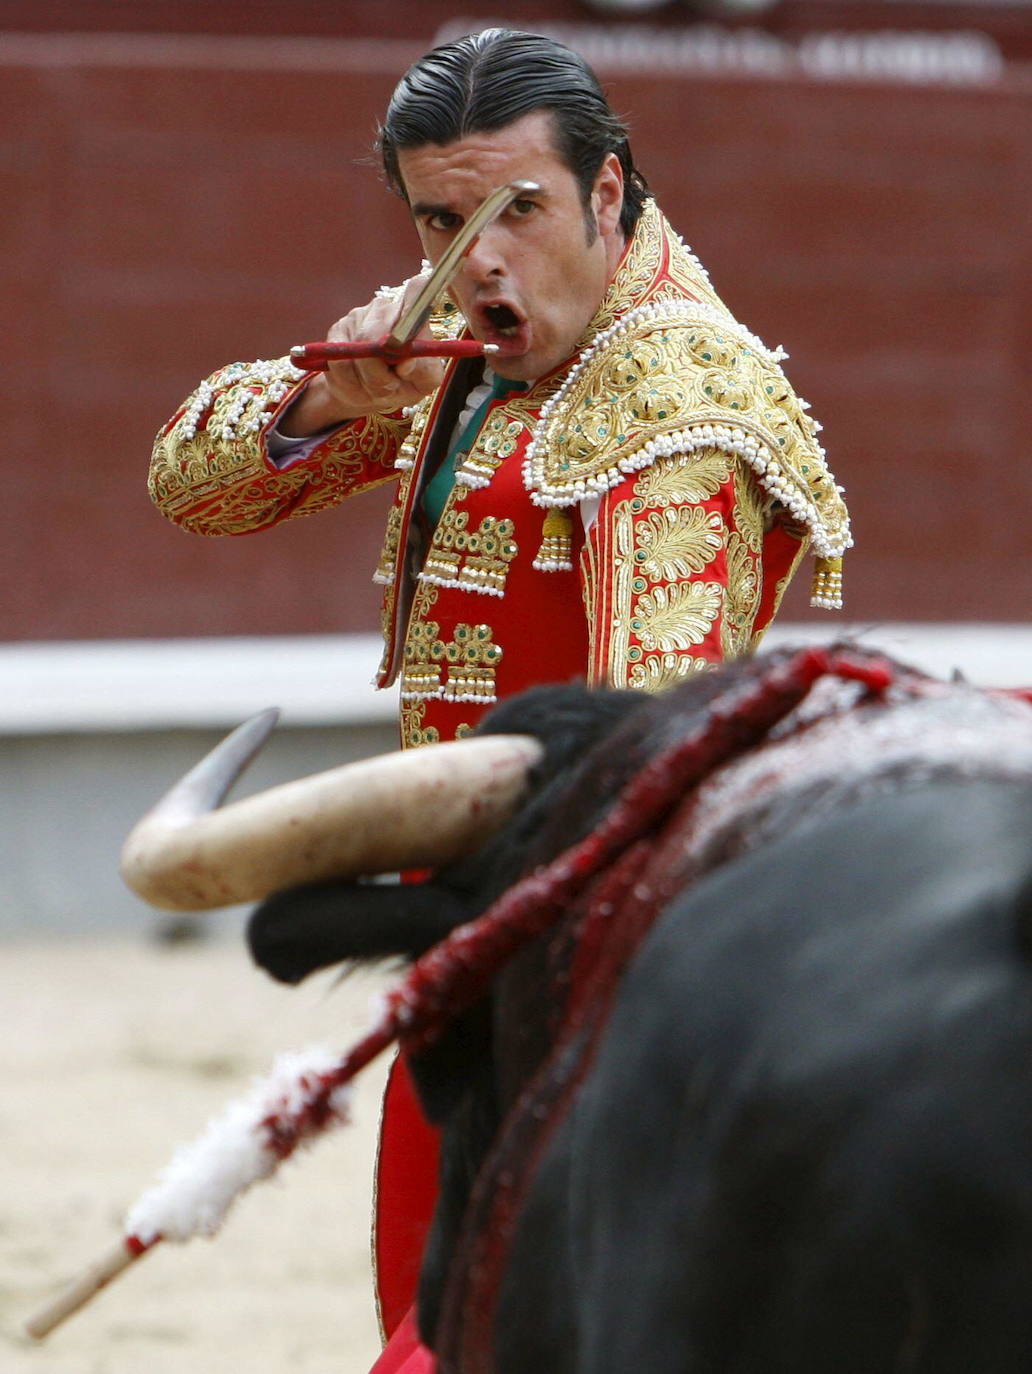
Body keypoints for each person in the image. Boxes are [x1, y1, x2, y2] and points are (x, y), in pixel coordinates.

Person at [149, 27, 850, 1371]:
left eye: (518, 208)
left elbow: (650, 747)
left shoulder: (675, 397)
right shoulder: (465, 352)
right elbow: (195, 488)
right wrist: (324, 394)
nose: (478, 259)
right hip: (465, 915)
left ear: (607, 192)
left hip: (589, 930)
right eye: (439, 220)